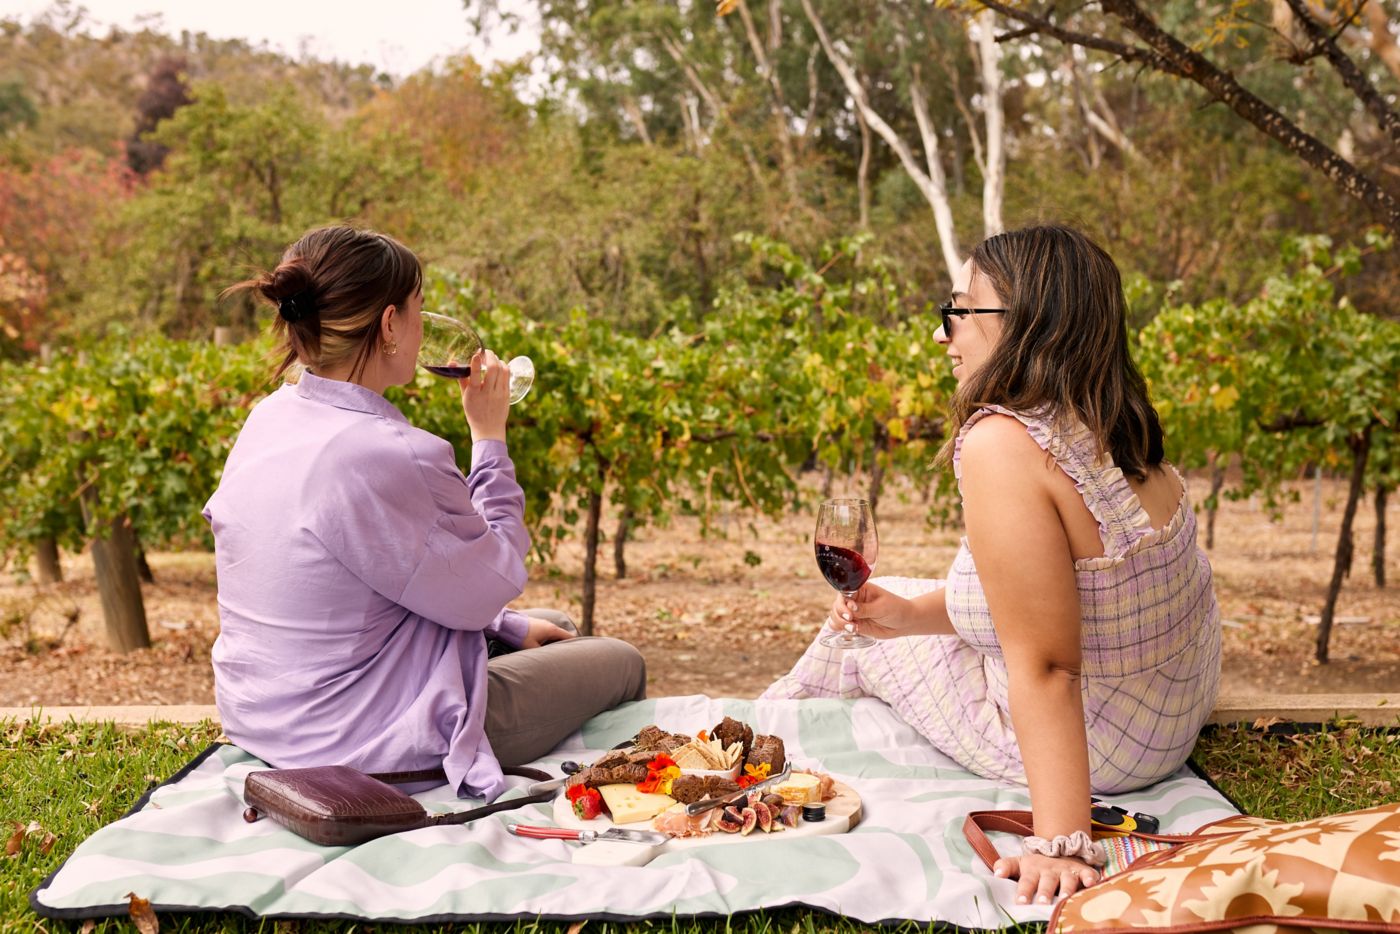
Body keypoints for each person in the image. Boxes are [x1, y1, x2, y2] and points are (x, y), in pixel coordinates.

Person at [765, 225, 1220, 906]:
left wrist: (1061, 841)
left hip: (1109, 748)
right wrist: (913, 616)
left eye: (959, 310)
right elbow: (1066, 595)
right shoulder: (1104, 420)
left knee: (847, 638)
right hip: (1167, 712)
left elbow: (1046, 664)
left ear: (1028, 322)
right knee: (886, 609)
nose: (943, 334)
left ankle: (757, 774)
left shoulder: (1003, 442)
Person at [204, 225, 646, 801]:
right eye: (417, 309)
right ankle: (621, 795)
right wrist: (489, 436)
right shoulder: (390, 453)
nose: (421, 326)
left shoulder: (269, 418)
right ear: (389, 325)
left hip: (269, 716)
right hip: (361, 741)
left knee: (550, 625)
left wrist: (506, 627)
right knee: (620, 661)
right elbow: (496, 578)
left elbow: (378, 582)